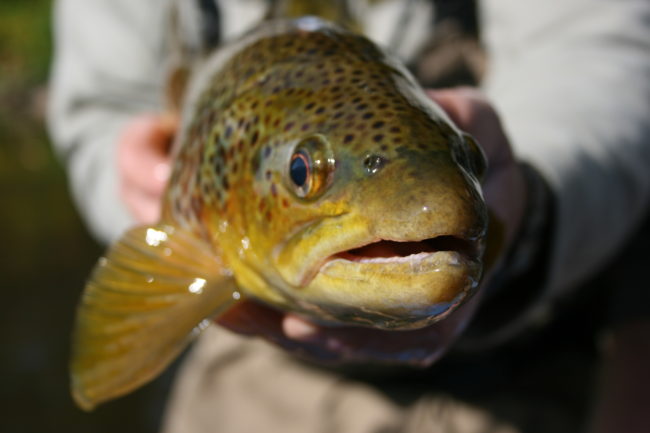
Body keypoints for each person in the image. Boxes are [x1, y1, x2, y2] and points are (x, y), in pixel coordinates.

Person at [48, 0, 650, 432]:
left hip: (523, 359)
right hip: (251, 385)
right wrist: (134, 182)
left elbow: (596, 48)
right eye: (305, 175)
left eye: (463, 164)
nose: (433, 208)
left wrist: (533, 203)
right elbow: (104, 104)